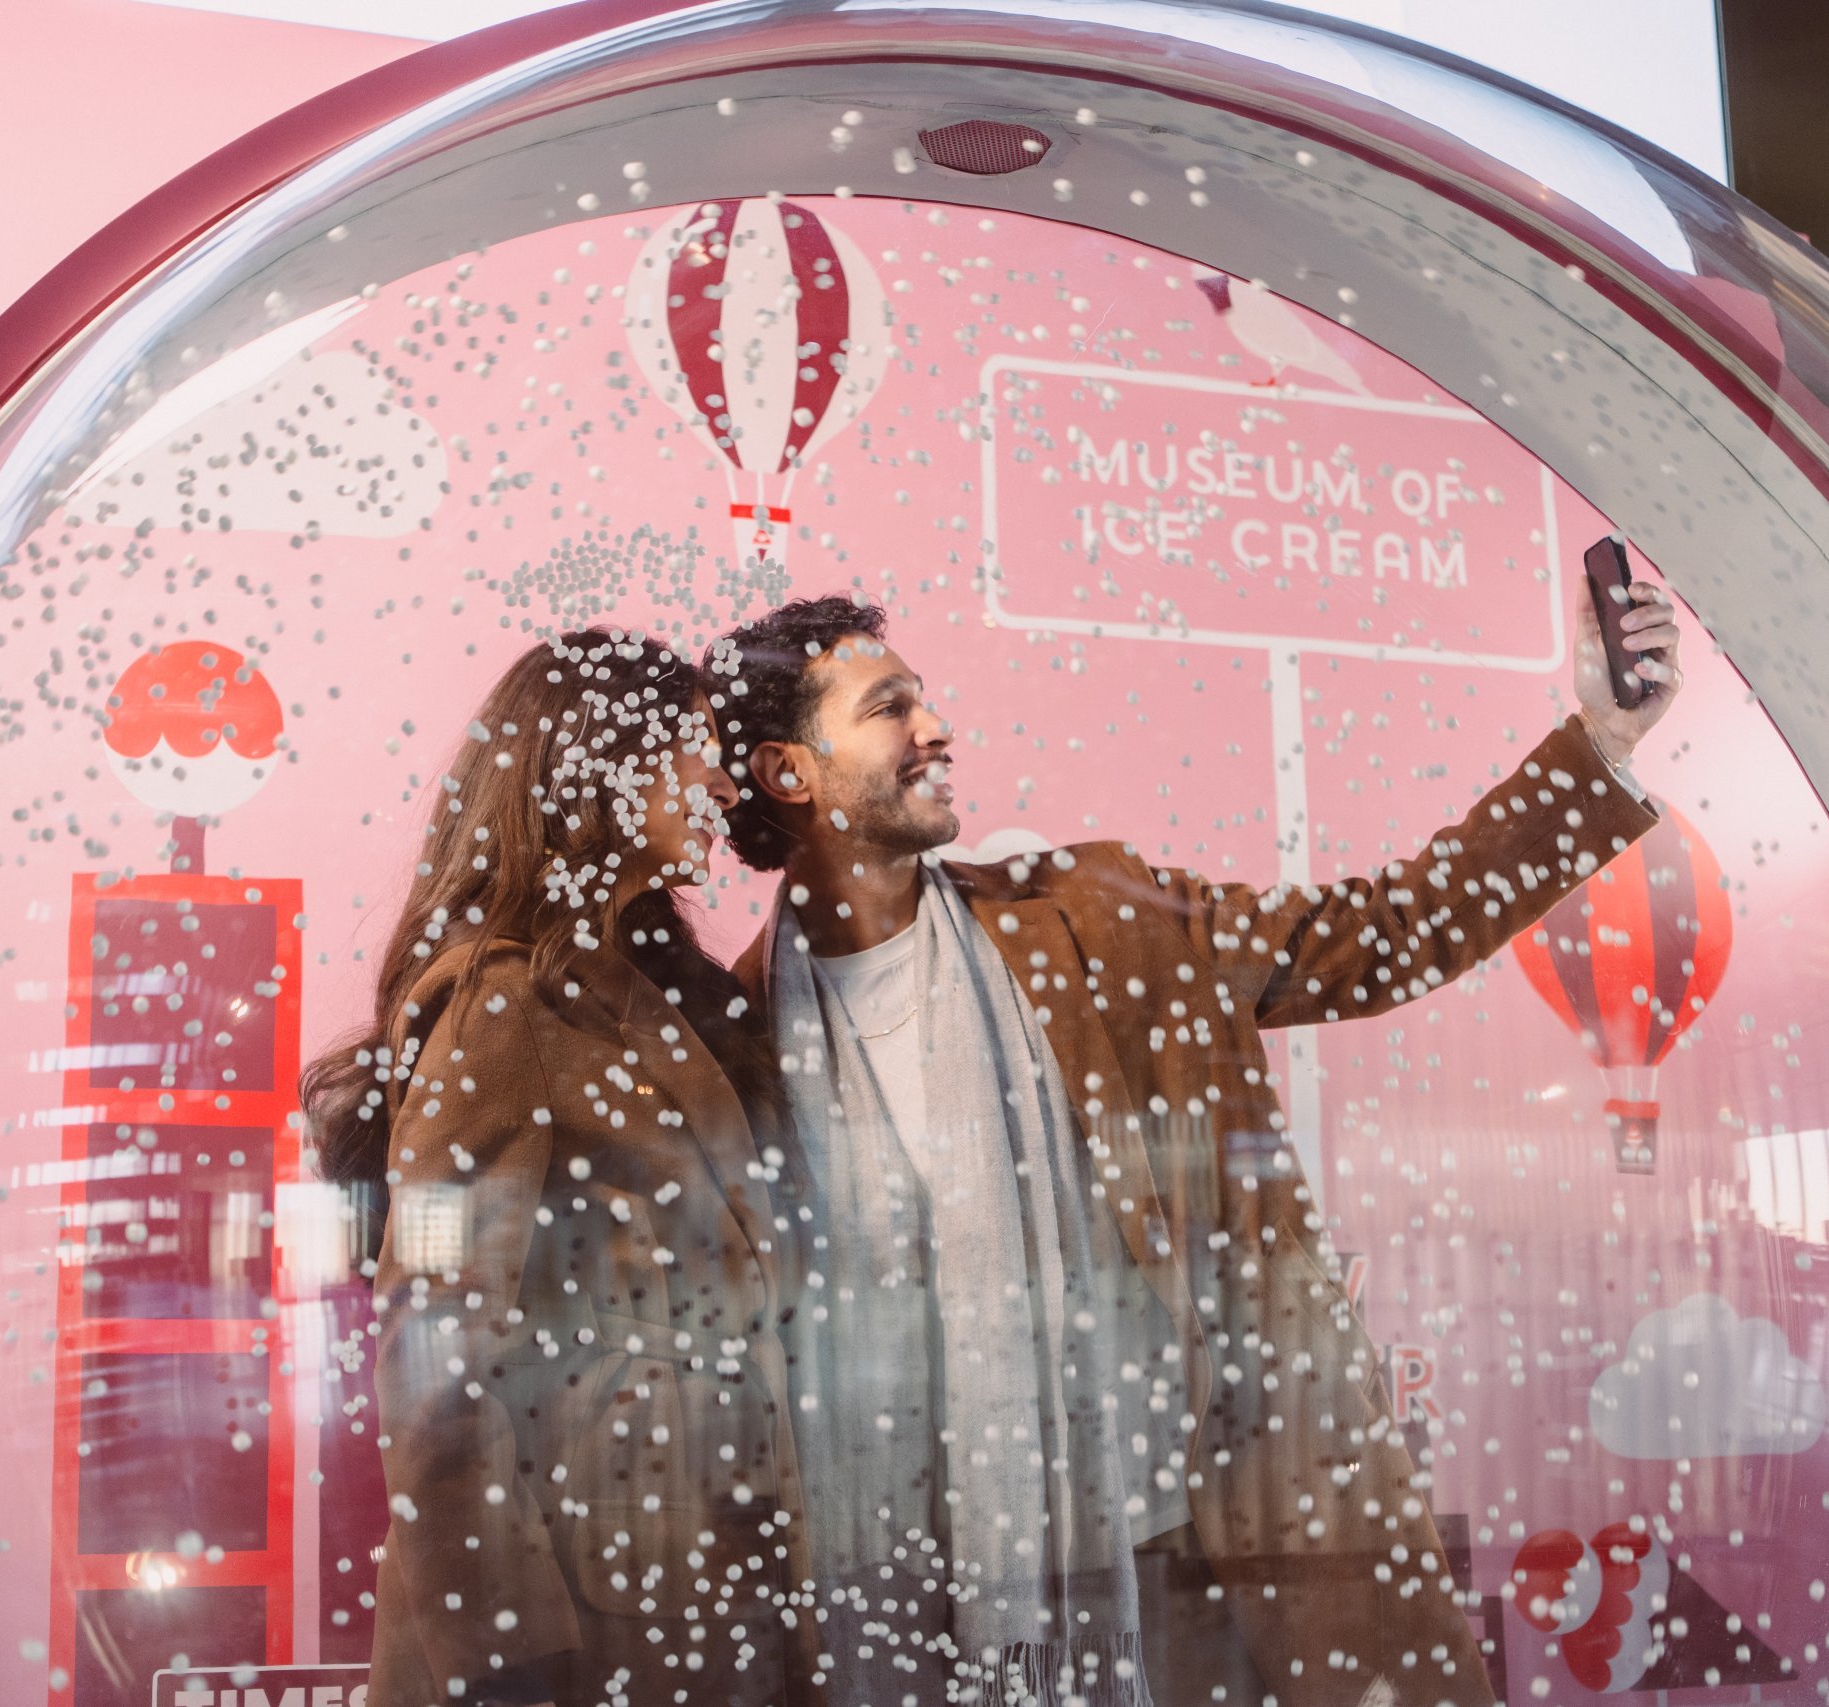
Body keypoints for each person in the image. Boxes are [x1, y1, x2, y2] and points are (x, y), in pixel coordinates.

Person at [712, 568, 1681, 1707]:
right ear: (789, 772)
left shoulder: (1094, 917)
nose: (936, 726)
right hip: (910, 1597)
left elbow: (1385, 931)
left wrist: (1600, 746)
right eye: (890, 708)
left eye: (924, 697)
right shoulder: (729, 1051)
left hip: (1193, 1556)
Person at [307, 629, 809, 1707]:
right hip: (575, 1618)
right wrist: (503, 1653)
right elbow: (434, 1344)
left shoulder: (670, 996)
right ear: (599, 762)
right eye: (694, 751)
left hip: (706, 1574)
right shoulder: (504, 1002)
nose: (724, 786)